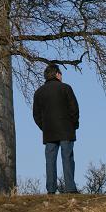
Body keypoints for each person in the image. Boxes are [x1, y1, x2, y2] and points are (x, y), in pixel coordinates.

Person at [32, 65, 80, 194]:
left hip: (49, 132)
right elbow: (74, 109)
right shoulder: (66, 88)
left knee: (50, 161)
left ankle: (51, 190)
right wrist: (74, 124)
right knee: (67, 158)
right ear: (57, 74)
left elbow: (36, 115)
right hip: (66, 129)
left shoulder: (39, 92)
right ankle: (70, 188)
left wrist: (44, 127)